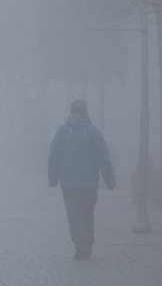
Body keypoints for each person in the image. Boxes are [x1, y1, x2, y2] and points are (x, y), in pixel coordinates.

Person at [49, 100, 116, 260]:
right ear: (86, 112)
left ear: (71, 112)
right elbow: (103, 157)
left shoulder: (62, 132)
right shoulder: (93, 132)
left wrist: (53, 179)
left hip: (69, 184)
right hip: (89, 184)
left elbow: (53, 157)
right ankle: (88, 242)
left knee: (74, 215)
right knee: (87, 213)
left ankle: (81, 245)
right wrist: (110, 180)